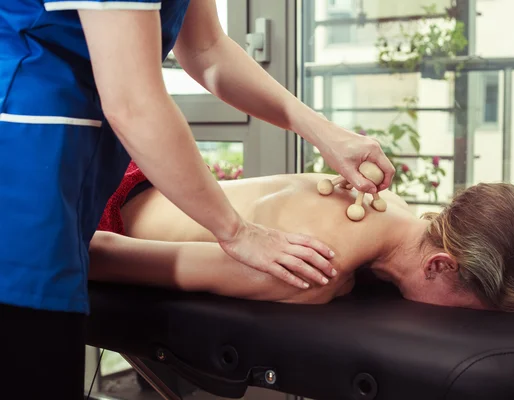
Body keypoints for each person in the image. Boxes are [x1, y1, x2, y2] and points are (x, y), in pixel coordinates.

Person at [0, 1, 395, 398]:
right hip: (22, 164)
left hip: (74, 173)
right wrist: (237, 233)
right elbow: (134, 104)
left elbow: (206, 50)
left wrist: (323, 132)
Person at [90, 161, 514, 312]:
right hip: (95, 201)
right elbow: (96, 256)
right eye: (480, 313)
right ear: (441, 265)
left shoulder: (395, 209)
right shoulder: (313, 267)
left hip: (150, 171)